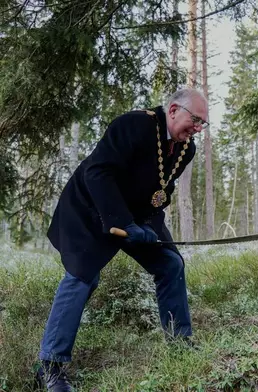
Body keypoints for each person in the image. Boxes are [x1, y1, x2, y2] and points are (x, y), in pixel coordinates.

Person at [36, 88, 209, 391]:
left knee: (170, 264)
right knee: (82, 277)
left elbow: (158, 194)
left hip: (136, 217)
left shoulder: (186, 149)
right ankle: (50, 368)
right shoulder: (134, 124)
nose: (196, 129)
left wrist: (155, 233)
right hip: (88, 210)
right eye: (194, 120)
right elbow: (97, 173)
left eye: (202, 124)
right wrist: (123, 222)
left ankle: (181, 346)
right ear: (172, 110)